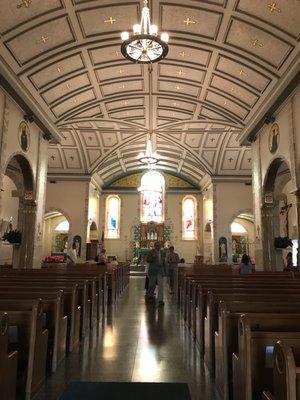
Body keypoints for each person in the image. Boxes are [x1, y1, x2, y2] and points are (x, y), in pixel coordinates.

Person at [146, 242, 166, 306]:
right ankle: (150, 296)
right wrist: (153, 257)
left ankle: (160, 300)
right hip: (153, 271)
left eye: (159, 246)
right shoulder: (151, 252)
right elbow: (148, 260)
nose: (158, 247)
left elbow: (164, 262)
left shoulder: (163, 253)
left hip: (160, 271)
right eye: (157, 246)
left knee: (161, 286)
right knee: (151, 285)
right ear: (155, 246)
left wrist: (165, 271)